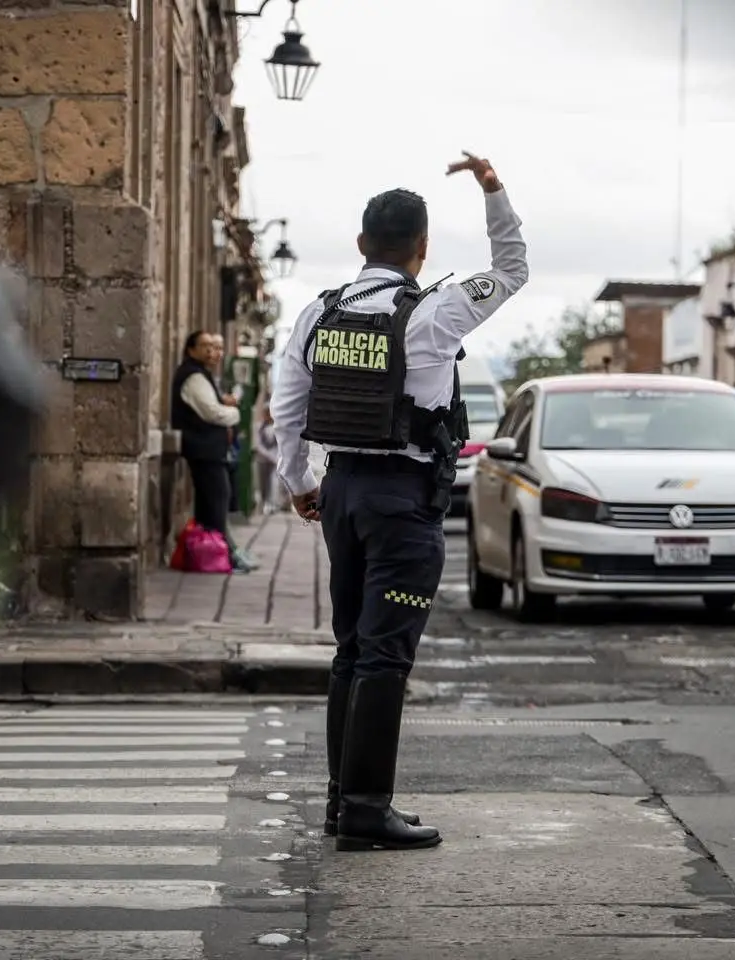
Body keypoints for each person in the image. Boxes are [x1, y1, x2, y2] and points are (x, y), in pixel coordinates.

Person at [271, 151, 529, 852]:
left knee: (351, 649)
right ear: (423, 248)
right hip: (403, 501)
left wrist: (300, 485)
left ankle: (341, 802)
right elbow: (511, 269)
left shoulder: (319, 313)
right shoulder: (438, 311)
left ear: (362, 243)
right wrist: (493, 190)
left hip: (342, 492)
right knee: (385, 655)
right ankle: (365, 809)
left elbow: (287, 410)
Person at [170, 331, 258, 572]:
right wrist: (235, 413)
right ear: (191, 350)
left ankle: (212, 552)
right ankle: (222, 554)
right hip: (204, 450)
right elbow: (212, 412)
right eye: (205, 346)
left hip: (208, 450)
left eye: (214, 346)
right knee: (216, 501)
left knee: (213, 501)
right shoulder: (194, 376)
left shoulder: (201, 374)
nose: (211, 351)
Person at [255, 406, 285, 514]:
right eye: (266, 413)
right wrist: (269, 456)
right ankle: (263, 503)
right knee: (262, 483)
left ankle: (273, 504)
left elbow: (281, 444)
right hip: (263, 459)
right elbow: (258, 445)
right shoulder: (259, 427)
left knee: (274, 482)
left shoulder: (278, 427)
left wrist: (276, 457)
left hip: (275, 460)